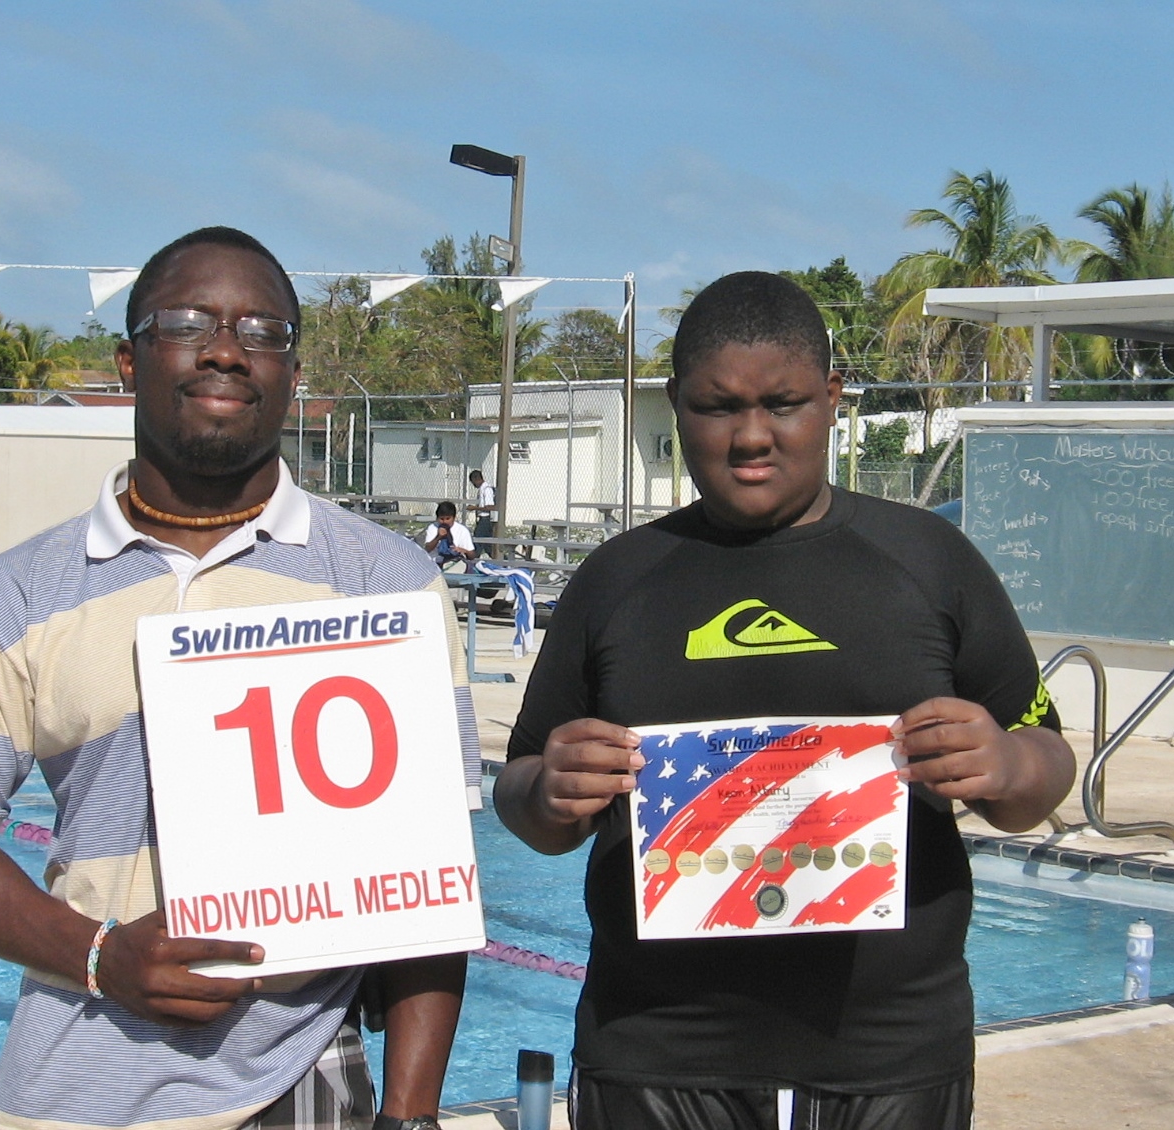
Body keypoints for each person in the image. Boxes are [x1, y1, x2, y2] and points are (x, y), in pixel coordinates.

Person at [0, 227, 479, 1130]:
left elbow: (429, 874)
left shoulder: (386, 581)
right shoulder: (17, 593)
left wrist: (409, 1114)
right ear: (128, 362)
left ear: (293, 374)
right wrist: (100, 957)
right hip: (75, 1084)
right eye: (187, 322)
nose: (225, 349)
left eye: (262, 331)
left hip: (299, 1074)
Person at [494, 271, 1075, 1130]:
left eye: (783, 403)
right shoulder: (617, 580)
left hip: (888, 1051)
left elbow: (1044, 763)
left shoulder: (928, 562)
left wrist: (1006, 761)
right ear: (675, 404)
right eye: (717, 407)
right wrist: (549, 791)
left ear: (832, 398)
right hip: (657, 1047)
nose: (751, 437)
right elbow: (520, 792)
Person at [422, 501, 477, 568]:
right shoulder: (433, 527)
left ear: (454, 518)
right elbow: (427, 549)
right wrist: (438, 537)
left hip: (455, 564)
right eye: (441, 519)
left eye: (448, 519)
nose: (444, 521)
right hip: (434, 563)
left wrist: (464, 551)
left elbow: (472, 556)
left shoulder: (462, 530)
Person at [467, 470, 494, 548]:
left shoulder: (487, 489)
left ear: (476, 479)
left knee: (477, 541)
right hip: (482, 519)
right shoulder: (482, 489)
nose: (473, 485)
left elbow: (489, 507)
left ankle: (474, 555)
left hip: (485, 519)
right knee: (487, 544)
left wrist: (474, 508)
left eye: (473, 482)